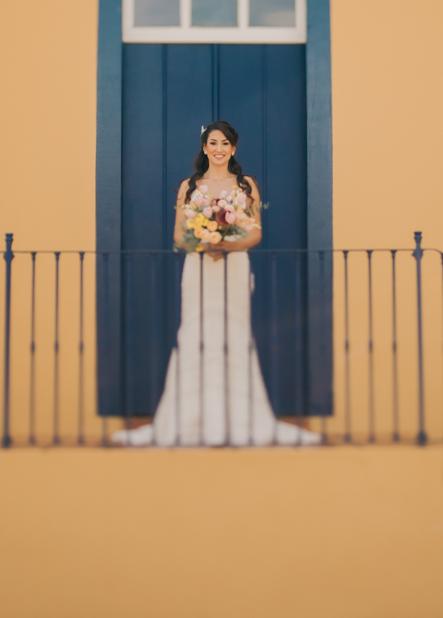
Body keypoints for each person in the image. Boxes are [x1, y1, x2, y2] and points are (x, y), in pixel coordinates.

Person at [114, 121, 320, 446]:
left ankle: (240, 417)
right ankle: (189, 418)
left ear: (233, 148)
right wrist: (203, 241)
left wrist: (228, 244)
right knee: (196, 332)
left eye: (225, 143)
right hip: (199, 267)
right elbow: (179, 234)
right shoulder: (189, 186)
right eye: (213, 143)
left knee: (233, 331)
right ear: (205, 147)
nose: (219, 149)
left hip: (233, 266)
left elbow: (255, 232)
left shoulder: (245, 184)